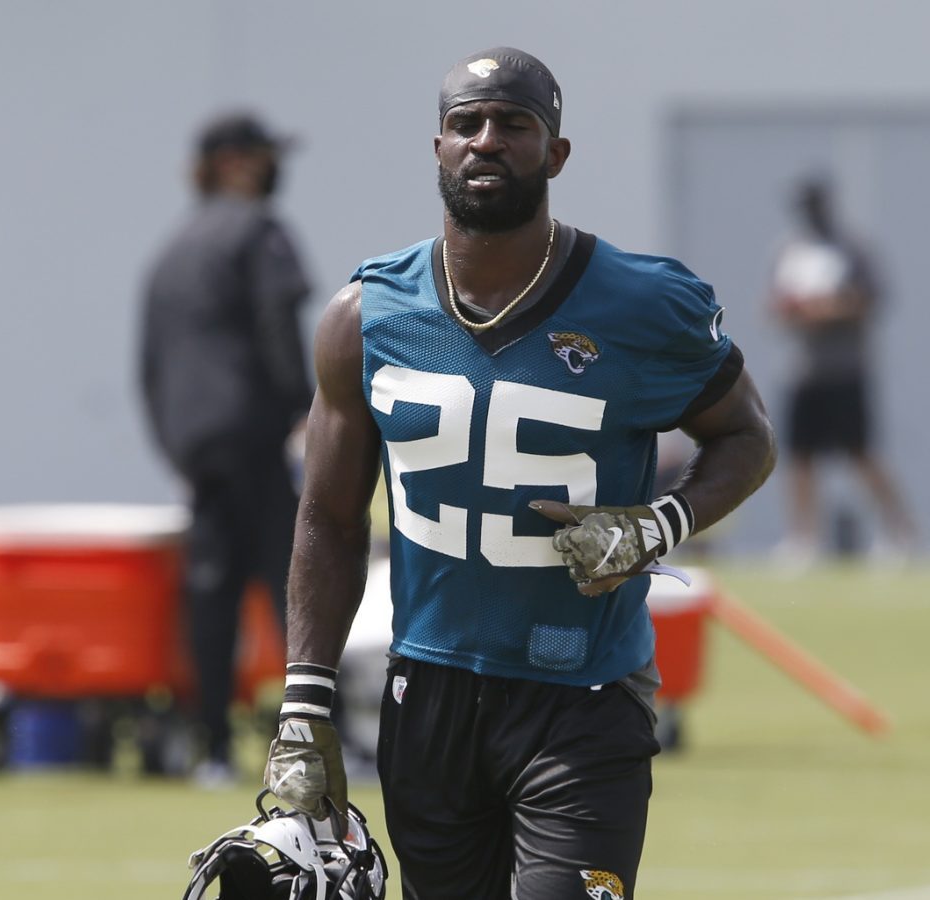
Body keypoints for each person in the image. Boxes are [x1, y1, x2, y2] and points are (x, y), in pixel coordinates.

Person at [260, 47, 776, 899]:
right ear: (438, 147)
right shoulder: (367, 315)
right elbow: (329, 519)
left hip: (584, 694)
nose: (486, 140)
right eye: (466, 123)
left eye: (514, 123)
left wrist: (660, 524)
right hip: (427, 692)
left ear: (556, 153)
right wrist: (305, 702)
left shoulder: (642, 304)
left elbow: (747, 437)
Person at [139, 111, 312, 785]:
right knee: (299, 585)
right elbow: (278, 324)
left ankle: (210, 746)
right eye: (266, 156)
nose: (276, 170)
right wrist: (308, 409)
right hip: (257, 434)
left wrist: (177, 446)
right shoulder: (258, 232)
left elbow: (150, 365)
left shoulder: (172, 248)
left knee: (213, 595)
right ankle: (313, 739)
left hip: (197, 447)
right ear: (235, 163)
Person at [769, 177, 915, 565]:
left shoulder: (852, 248)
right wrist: (793, 310)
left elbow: (873, 298)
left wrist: (829, 308)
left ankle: (900, 531)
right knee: (799, 458)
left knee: (861, 453)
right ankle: (803, 539)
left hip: (846, 369)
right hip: (804, 370)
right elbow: (774, 307)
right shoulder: (791, 251)